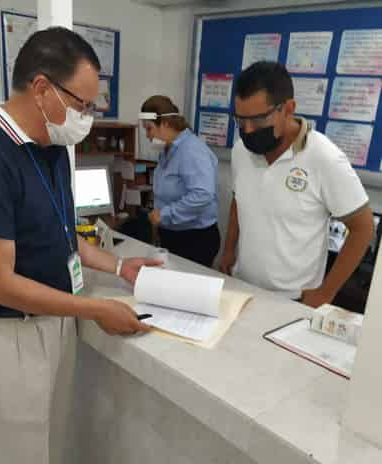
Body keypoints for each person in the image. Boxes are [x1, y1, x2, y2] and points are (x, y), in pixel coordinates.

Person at [0, 27, 160, 464]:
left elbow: (63, 235)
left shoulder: (51, 145)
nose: (90, 115)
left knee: (47, 434)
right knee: (15, 450)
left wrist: (120, 268)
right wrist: (93, 309)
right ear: (41, 88)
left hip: (57, 317)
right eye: (83, 102)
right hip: (8, 330)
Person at [219, 62, 374, 307]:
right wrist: (228, 249)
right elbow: (239, 201)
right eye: (240, 120)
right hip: (242, 287)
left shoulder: (324, 158)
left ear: (288, 108)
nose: (247, 130)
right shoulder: (242, 150)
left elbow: (364, 228)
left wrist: (326, 293)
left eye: (258, 120)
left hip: (293, 300)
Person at [139, 95, 220, 267]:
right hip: (173, 235)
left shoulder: (191, 151)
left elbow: (203, 195)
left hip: (195, 240)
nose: (147, 135)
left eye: (149, 129)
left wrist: (165, 214)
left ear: (166, 124)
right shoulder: (168, 150)